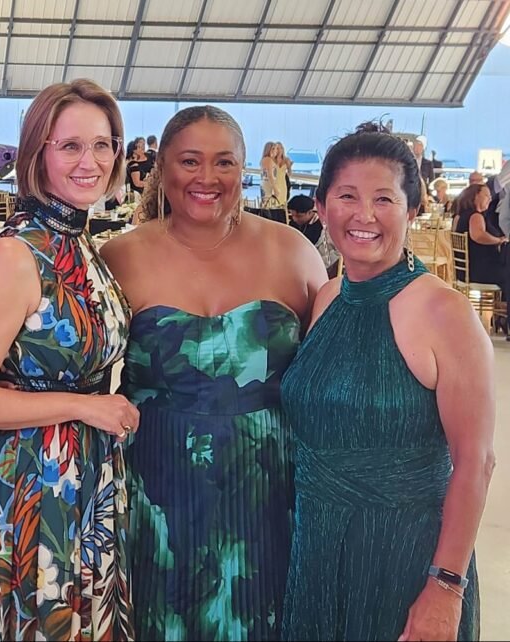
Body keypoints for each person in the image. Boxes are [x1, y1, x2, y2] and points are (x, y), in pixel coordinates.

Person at [102, 106, 326, 641]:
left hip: (267, 492)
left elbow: (329, 377)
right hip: (157, 492)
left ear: (243, 169)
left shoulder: (292, 251)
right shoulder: (120, 256)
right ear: (162, 167)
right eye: (190, 161)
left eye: (223, 162)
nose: (207, 177)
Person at [281, 122, 495, 641]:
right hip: (316, 544)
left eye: (384, 199)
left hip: (406, 553)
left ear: (412, 209)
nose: (364, 215)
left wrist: (446, 585)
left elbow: (475, 462)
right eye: (347, 196)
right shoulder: (327, 297)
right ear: (322, 206)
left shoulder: (444, 311)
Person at [0, 79, 137, 641]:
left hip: (86, 475)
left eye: (102, 145)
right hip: (32, 482)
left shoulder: (78, 242)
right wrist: (85, 406)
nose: (90, 162)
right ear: (38, 153)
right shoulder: (17, 253)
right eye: (70, 146)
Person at [453, 183, 505, 285]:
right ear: (475, 196)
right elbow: (478, 236)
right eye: (486, 195)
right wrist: (499, 240)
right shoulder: (475, 216)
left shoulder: (459, 216)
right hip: (481, 270)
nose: (490, 199)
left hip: (465, 270)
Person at [289, 194, 341, 278]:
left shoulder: (322, 226)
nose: (295, 219)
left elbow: (332, 254)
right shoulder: (293, 224)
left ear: (310, 212)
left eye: (299, 216)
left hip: (317, 266)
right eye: (292, 215)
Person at [260, 141, 287, 207]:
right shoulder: (268, 160)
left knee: (267, 204)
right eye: (273, 148)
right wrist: (275, 189)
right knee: (270, 205)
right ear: (269, 150)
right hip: (268, 186)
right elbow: (270, 175)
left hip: (265, 185)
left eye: (276, 148)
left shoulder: (265, 159)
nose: (276, 151)